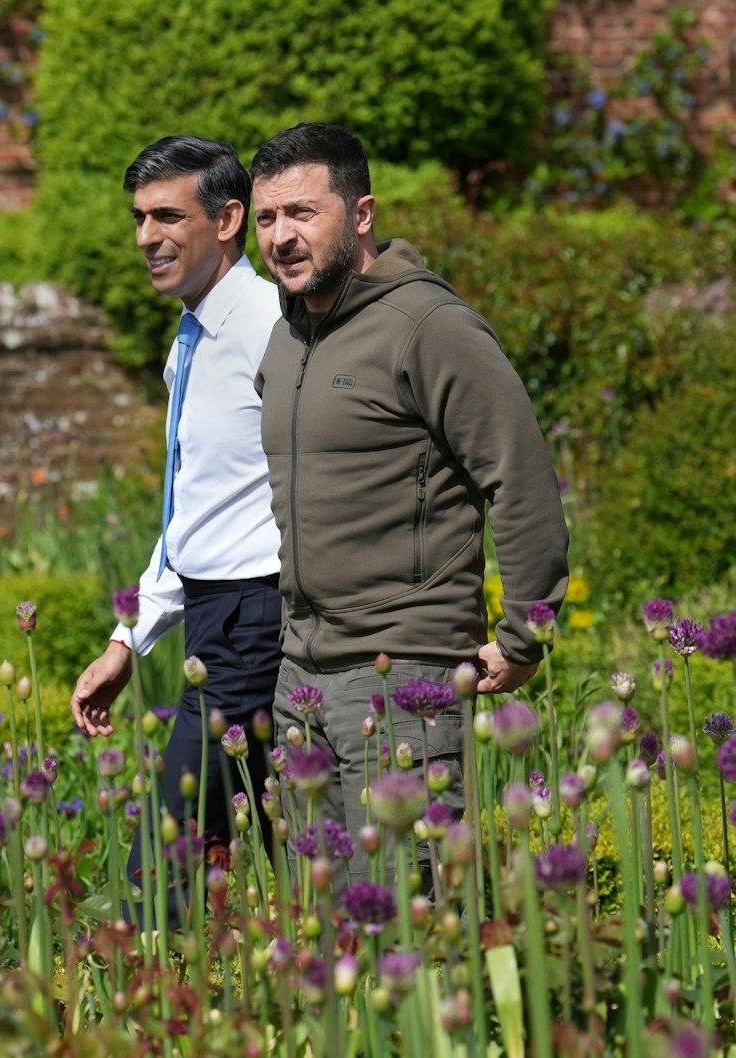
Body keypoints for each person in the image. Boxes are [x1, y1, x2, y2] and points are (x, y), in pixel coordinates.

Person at [248, 122, 569, 889]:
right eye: (267, 218)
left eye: (302, 213)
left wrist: (525, 633)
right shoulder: (288, 336)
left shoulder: (430, 327)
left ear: (360, 215)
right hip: (299, 674)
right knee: (315, 919)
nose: (282, 237)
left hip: (402, 675)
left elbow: (518, 477)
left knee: (408, 915)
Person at [68, 135, 283, 915]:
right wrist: (128, 639)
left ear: (228, 219)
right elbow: (191, 502)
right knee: (284, 836)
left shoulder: (270, 326)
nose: (145, 238)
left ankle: (143, 993)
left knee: (165, 859)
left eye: (166, 215)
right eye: (138, 218)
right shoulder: (190, 337)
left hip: (257, 612)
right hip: (213, 612)